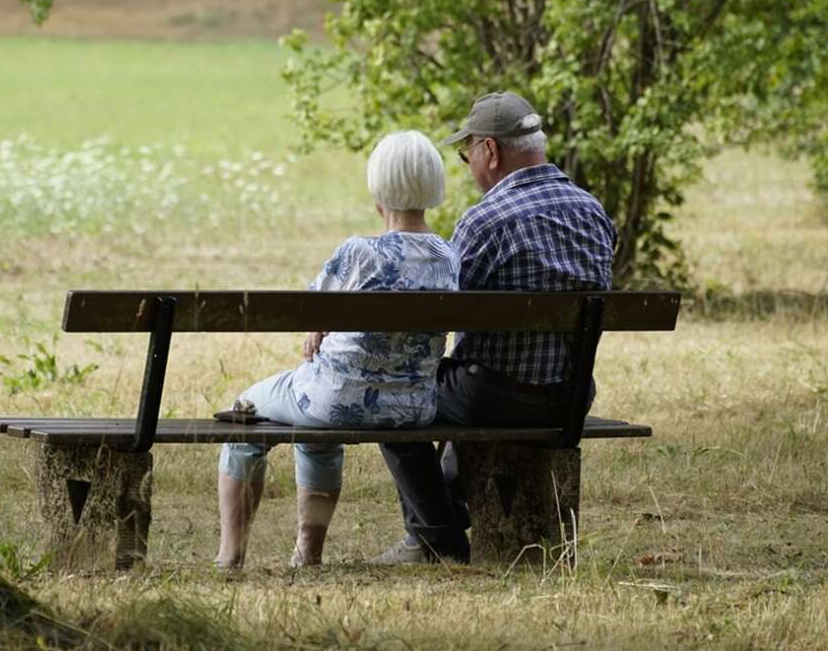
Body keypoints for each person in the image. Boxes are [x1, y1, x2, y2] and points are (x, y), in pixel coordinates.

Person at [373, 91, 617, 564]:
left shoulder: (484, 221)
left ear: (490, 151)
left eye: (467, 156)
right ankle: (444, 517)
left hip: (495, 397)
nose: (469, 167)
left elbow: (442, 315)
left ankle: (435, 538)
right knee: (465, 381)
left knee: (392, 393)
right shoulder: (594, 213)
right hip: (569, 397)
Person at [215, 130, 459, 569]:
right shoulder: (448, 256)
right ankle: (307, 553)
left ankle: (230, 556)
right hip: (413, 407)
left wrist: (318, 327)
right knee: (313, 424)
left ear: (378, 189)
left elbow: (310, 310)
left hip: (335, 400)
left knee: (244, 412)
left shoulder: (359, 253)